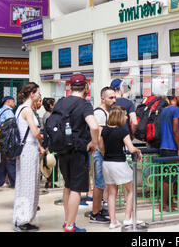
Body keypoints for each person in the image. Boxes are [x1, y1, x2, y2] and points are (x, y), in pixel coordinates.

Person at [55, 74, 99, 232]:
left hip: (62, 150)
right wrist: (93, 142)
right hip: (78, 150)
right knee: (76, 189)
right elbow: (94, 126)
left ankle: (68, 221)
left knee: (67, 185)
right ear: (86, 87)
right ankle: (70, 226)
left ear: (70, 86)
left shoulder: (60, 102)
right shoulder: (84, 104)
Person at [99, 106, 142, 229]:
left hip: (106, 163)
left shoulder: (105, 131)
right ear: (119, 116)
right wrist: (138, 150)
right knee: (131, 190)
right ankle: (128, 218)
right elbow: (131, 148)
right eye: (124, 115)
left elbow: (101, 148)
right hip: (119, 163)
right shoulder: (123, 131)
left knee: (112, 193)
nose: (127, 117)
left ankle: (113, 221)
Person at [13, 82, 45, 232]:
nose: (39, 96)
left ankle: (21, 218)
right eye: (38, 93)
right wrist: (42, 135)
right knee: (29, 185)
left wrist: (38, 145)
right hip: (28, 151)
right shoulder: (28, 110)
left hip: (25, 149)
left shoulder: (19, 109)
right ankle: (23, 220)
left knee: (23, 184)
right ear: (32, 94)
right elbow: (34, 132)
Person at [89, 86, 116, 224]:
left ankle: (99, 209)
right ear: (102, 98)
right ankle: (95, 213)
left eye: (114, 97)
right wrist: (105, 154)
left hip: (103, 153)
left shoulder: (106, 112)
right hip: (100, 153)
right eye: (110, 97)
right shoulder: (100, 113)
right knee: (99, 183)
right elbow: (99, 137)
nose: (114, 100)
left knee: (102, 182)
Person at [159, 88, 179, 212]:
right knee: (169, 178)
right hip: (171, 147)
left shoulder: (164, 110)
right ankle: (164, 205)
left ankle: (169, 202)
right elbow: (175, 130)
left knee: (166, 177)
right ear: (175, 97)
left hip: (163, 147)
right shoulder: (175, 109)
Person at [0, 96, 17, 189]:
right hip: (8, 140)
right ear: (8, 102)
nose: (14, 104)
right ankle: (14, 182)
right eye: (13, 101)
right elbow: (12, 126)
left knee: (2, 160)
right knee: (10, 160)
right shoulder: (8, 112)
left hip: (1, 139)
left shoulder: (0, 110)